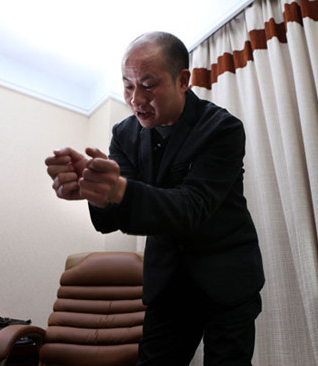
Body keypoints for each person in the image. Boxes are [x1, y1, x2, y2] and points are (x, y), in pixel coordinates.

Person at [45, 31, 265, 365]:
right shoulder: (124, 133)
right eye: (128, 85)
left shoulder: (222, 129)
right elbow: (116, 217)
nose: (135, 99)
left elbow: (192, 206)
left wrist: (117, 189)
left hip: (228, 277)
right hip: (168, 283)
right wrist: (93, 192)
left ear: (182, 80)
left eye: (148, 85)